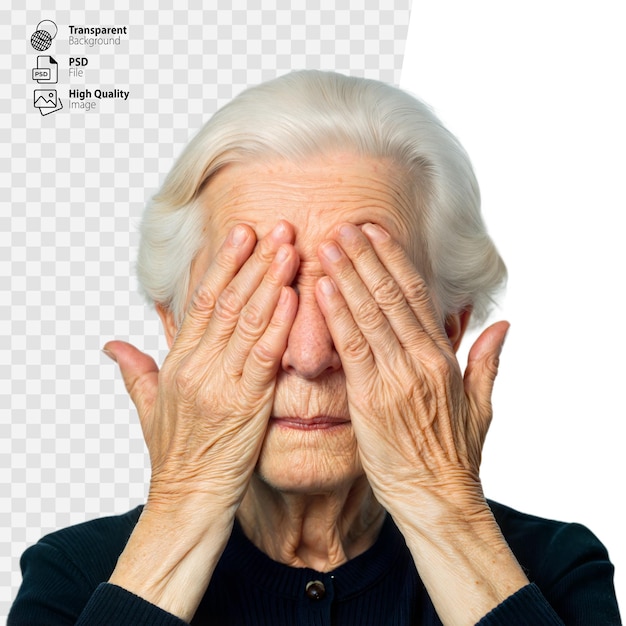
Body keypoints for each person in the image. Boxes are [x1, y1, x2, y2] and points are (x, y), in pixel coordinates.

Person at [9, 70, 621, 625]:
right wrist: (182, 507)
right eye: (256, 297)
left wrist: (446, 512)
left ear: (448, 330)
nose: (308, 355)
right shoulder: (78, 575)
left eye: (363, 299)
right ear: (178, 330)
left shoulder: (552, 568)